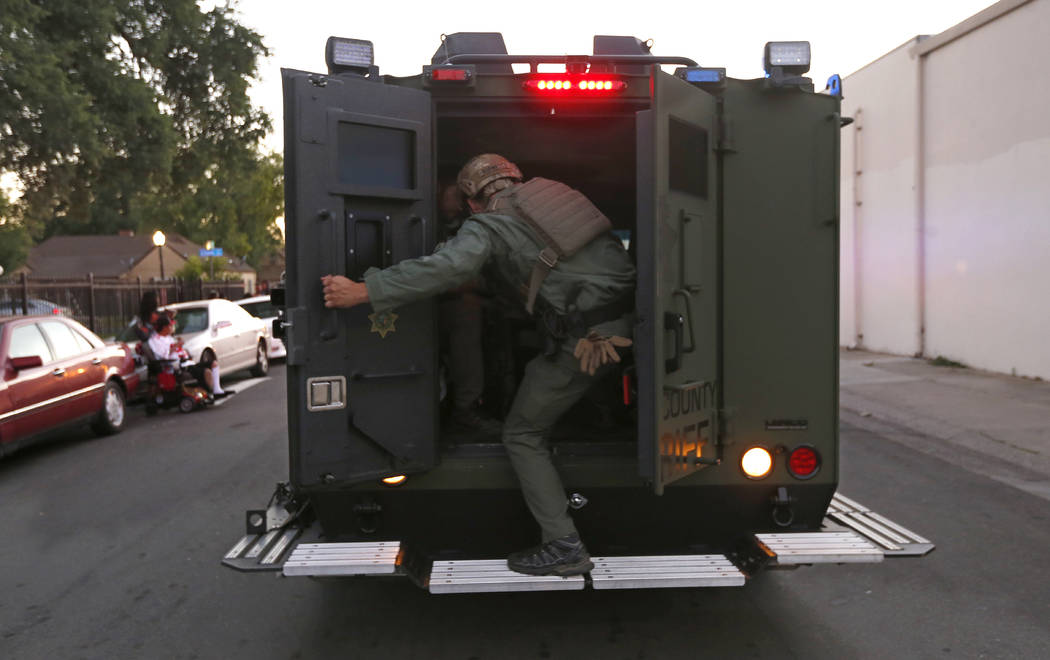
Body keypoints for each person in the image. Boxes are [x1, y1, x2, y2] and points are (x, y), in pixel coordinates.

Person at [322, 154, 635, 576]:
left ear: (472, 202)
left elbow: (450, 267)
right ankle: (605, 415)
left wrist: (364, 291)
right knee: (552, 369)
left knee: (522, 431)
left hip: (590, 342)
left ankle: (564, 545)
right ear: (514, 179)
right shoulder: (554, 195)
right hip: (633, 325)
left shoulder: (487, 224)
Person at [436, 182, 499, 434]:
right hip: (422, 304)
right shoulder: (422, 223)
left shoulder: (474, 229)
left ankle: (467, 408)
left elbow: (487, 276)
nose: (455, 202)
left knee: (470, 313)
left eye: (458, 197)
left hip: (463, 302)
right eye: (448, 195)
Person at [148, 315, 230, 400]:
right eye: (171, 326)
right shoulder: (155, 340)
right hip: (177, 366)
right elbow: (163, 356)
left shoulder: (169, 338)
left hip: (187, 362)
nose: (172, 328)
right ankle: (208, 392)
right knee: (206, 371)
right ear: (165, 327)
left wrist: (182, 348)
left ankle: (217, 389)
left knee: (213, 364)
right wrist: (176, 346)